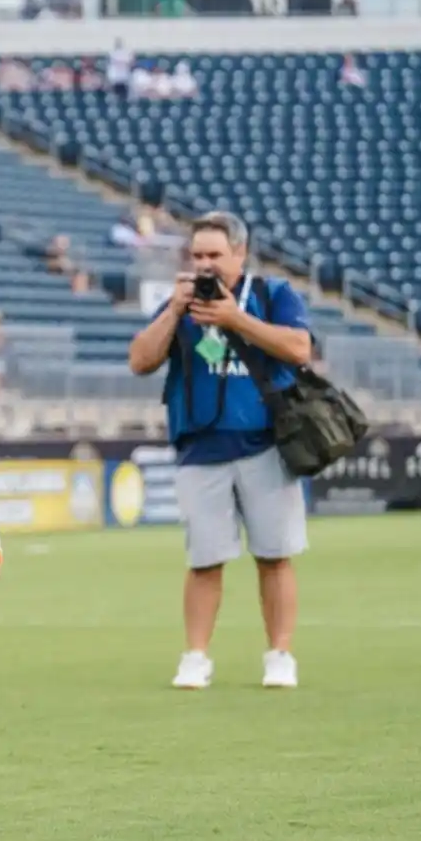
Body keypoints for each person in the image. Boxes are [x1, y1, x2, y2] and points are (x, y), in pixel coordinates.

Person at [127, 211, 312, 691]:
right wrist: (173, 311)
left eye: (215, 254)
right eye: (197, 255)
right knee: (204, 560)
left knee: (275, 555)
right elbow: (140, 360)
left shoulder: (272, 295)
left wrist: (236, 319)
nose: (205, 264)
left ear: (240, 254)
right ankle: (196, 656)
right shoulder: (181, 302)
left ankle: (280, 655)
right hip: (200, 447)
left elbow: (299, 349)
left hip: (266, 444)